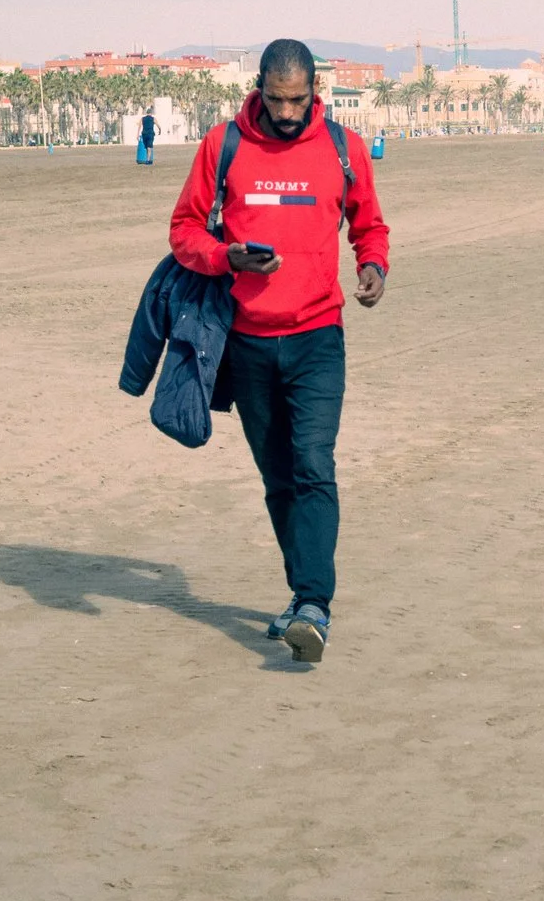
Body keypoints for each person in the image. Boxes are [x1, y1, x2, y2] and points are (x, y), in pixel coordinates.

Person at [166, 39, 389, 662]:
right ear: (258, 87)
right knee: (278, 478)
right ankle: (300, 596)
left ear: (314, 88)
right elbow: (184, 229)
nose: (288, 113)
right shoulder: (223, 146)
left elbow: (369, 224)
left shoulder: (341, 148)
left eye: (299, 99)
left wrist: (373, 266)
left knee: (314, 465)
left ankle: (314, 604)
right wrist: (224, 257)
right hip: (246, 344)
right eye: (276, 98)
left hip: (319, 337)